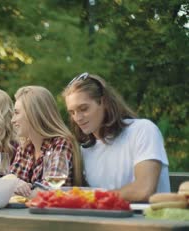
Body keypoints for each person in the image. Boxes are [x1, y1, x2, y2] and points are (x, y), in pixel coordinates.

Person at [63, 72, 170, 202]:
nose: (77, 118)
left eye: (84, 109)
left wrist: (93, 197)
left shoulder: (143, 130)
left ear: (103, 102)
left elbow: (143, 190)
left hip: (147, 220)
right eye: (72, 112)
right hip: (104, 221)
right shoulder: (84, 150)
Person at [10, 86, 83, 197]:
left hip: (54, 213)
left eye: (17, 113)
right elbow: (8, 185)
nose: (12, 120)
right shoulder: (26, 147)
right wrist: (15, 183)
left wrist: (17, 187)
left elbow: (51, 190)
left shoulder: (61, 144)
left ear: (34, 114)